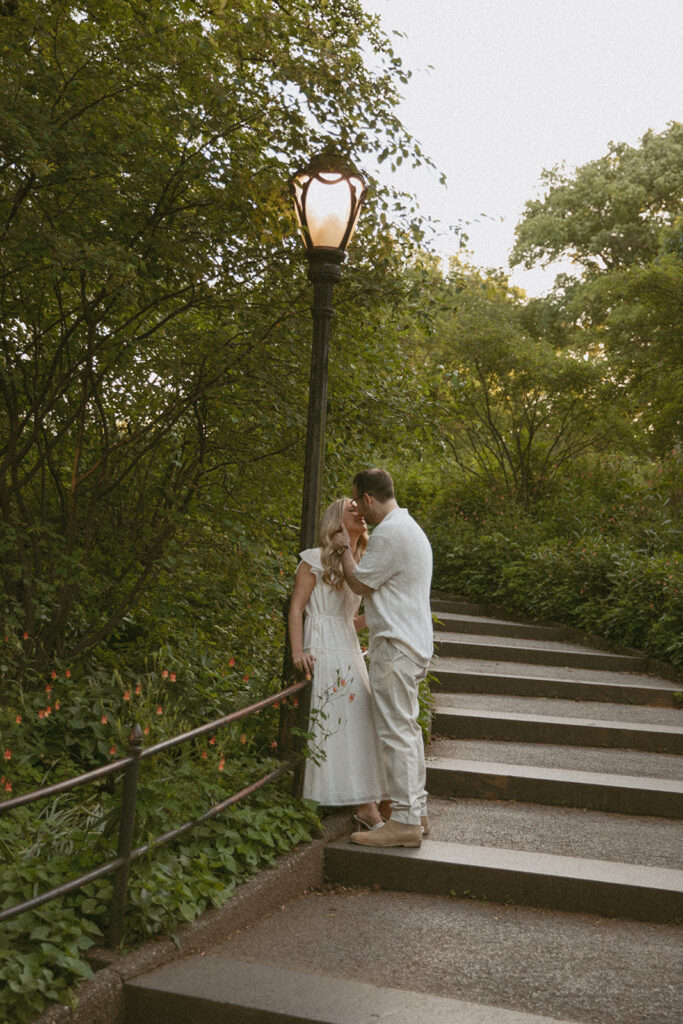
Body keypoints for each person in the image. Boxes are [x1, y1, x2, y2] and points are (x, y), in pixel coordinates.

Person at [333, 468, 433, 848]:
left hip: (395, 646)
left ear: (370, 499)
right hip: (411, 642)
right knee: (407, 731)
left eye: (357, 502)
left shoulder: (390, 532)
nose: (358, 509)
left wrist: (343, 547)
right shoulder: (411, 528)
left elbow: (358, 582)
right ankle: (416, 812)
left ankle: (405, 822)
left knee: (397, 734)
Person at [288, 497, 388, 827]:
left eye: (362, 508)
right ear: (337, 520)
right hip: (321, 643)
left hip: (347, 645)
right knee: (328, 719)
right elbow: (297, 608)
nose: (360, 513)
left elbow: (352, 619)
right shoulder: (314, 559)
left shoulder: (360, 561)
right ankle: (341, 801)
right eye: (351, 509)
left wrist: (382, 619)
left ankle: (364, 801)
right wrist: (298, 651)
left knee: (360, 719)